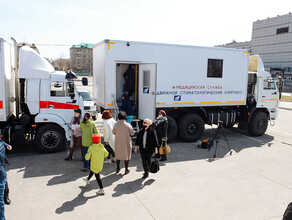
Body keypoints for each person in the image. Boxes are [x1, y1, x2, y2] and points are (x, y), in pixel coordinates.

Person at [0, 137, 12, 220]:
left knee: (5, 182)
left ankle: (6, 196)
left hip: (2, 168)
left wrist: (6, 145)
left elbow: (0, 142)